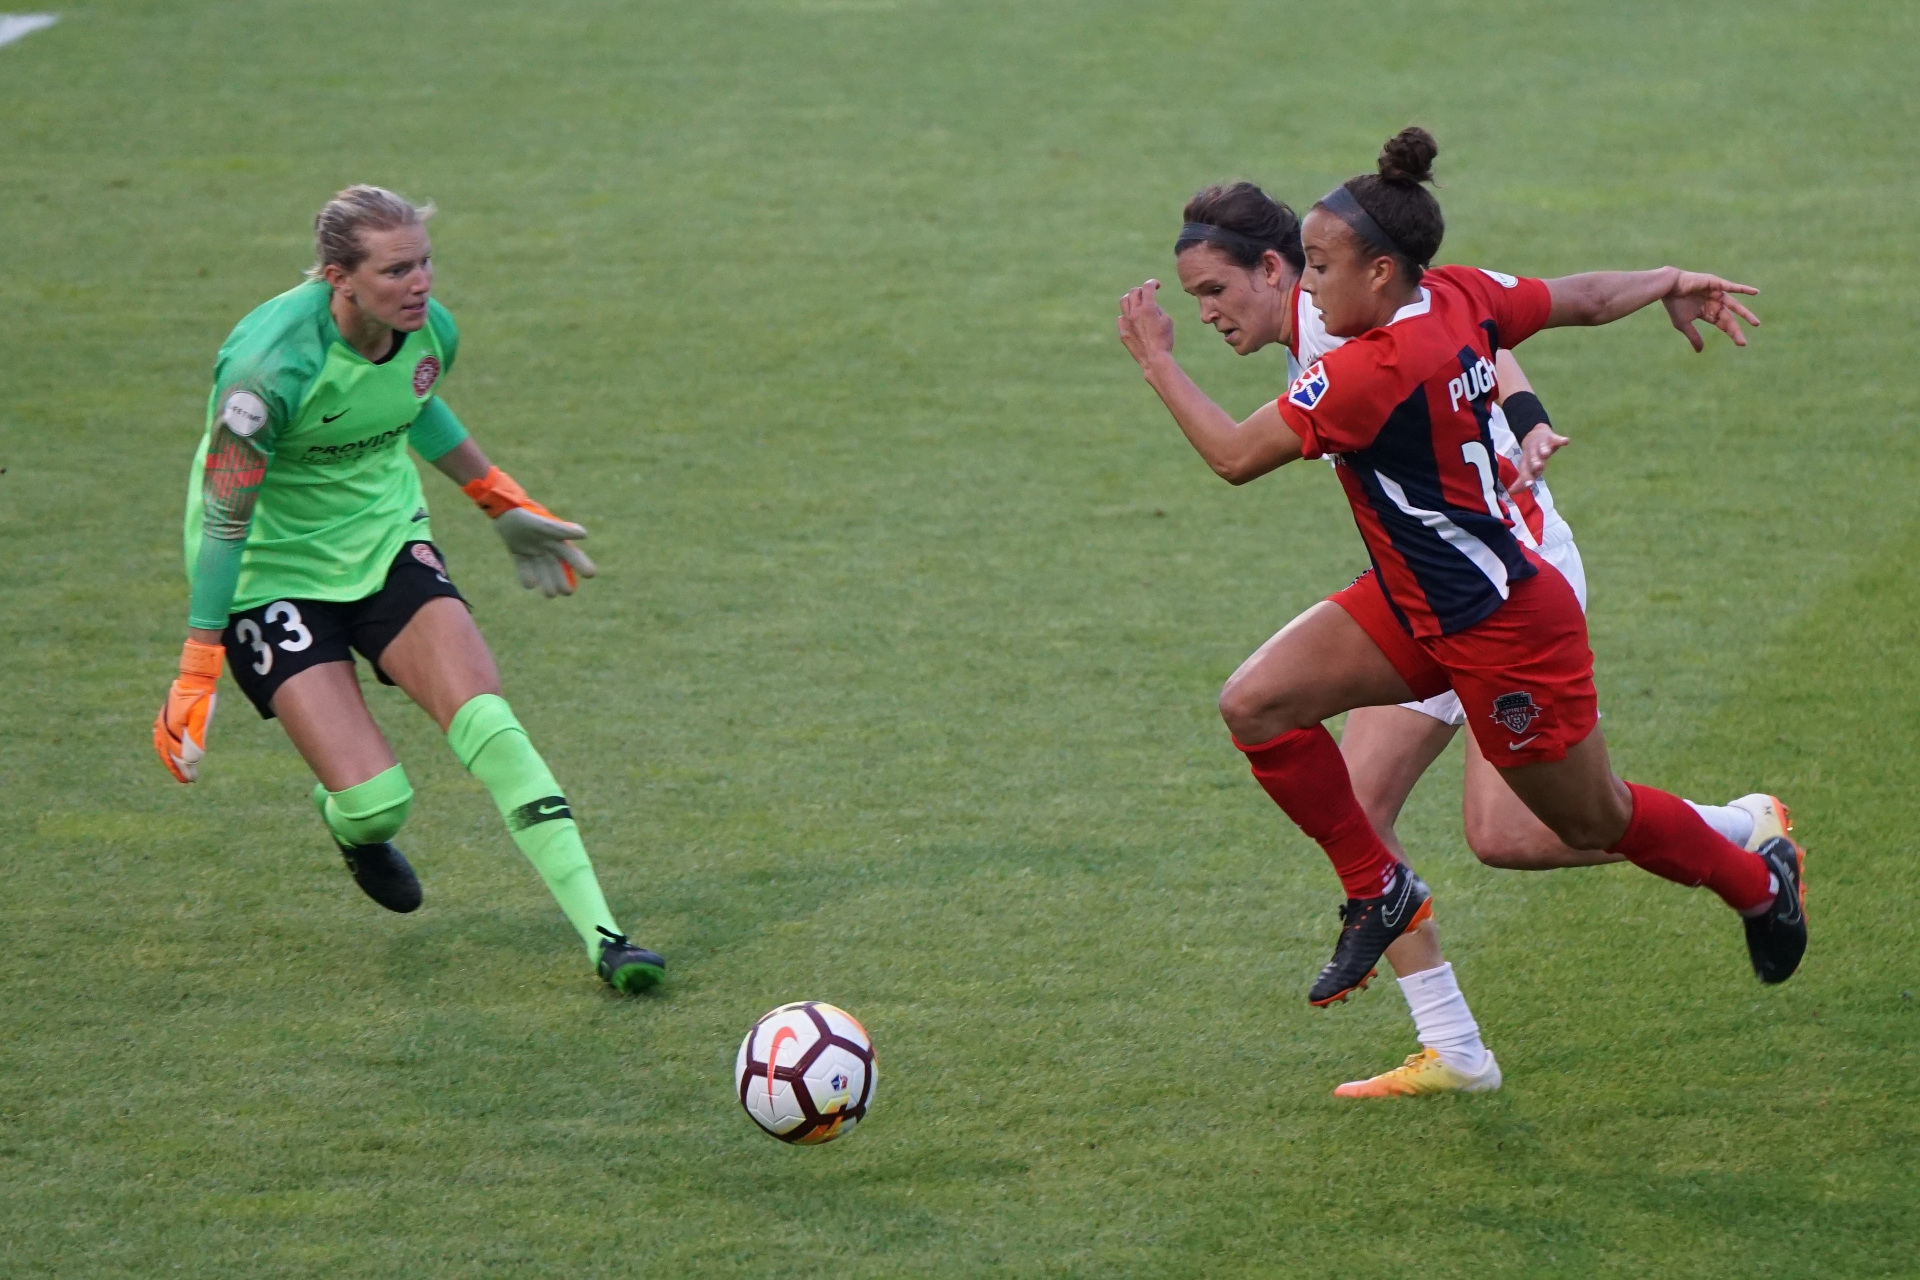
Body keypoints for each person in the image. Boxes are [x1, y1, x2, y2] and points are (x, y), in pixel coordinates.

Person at [1117, 131, 1806, 1095]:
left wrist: (1155, 361)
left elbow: (1237, 456)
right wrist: (1665, 284)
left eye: (1215, 293)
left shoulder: (1355, 353)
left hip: (1502, 602)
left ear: (1284, 268)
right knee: (1268, 715)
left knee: (1531, 831)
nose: (1211, 313)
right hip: (1416, 589)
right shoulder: (1443, 294)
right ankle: (1445, 1026)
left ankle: (1743, 853)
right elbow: (1547, 310)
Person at [152, 185, 664, 994]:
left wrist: (497, 497)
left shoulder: (429, 331)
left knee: (489, 721)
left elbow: (412, 402)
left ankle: (607, 938)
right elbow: (224, 518)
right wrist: (197, 662)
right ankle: (351, 830)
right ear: (338, 278)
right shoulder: (267, 369)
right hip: (269, 572)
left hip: (385, 540)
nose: (419, 283)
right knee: (377, 803)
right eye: (396, 270)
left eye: (425, 261)